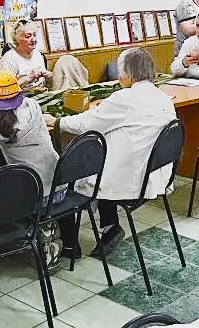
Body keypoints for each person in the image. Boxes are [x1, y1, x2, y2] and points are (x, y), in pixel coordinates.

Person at [49, 48, 176, 257]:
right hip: (155, 172)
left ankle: (71, 243)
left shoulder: (124, 98)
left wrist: (56, 121)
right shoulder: (163, 97)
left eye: (120, 72)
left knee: (75, 170)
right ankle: (109, 226)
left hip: (132, 175)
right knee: (105, 158)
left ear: (128, 74)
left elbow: (86, 124)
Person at [0, 70, 67, 263]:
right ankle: (46, 228)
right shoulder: (33, 105)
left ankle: (29, 232)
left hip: (35, 196)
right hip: (59, 185)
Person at [0, 20, 89, 91]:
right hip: (22, 101)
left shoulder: (38, 55)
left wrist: (49, 77)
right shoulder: (9, 59)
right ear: (17, 39)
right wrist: (28, 78)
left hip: (42, 95)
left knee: (67, 61)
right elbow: (5, 90)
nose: (33, 39)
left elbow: (48, 85)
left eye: (34, 35)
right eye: (28, 36)